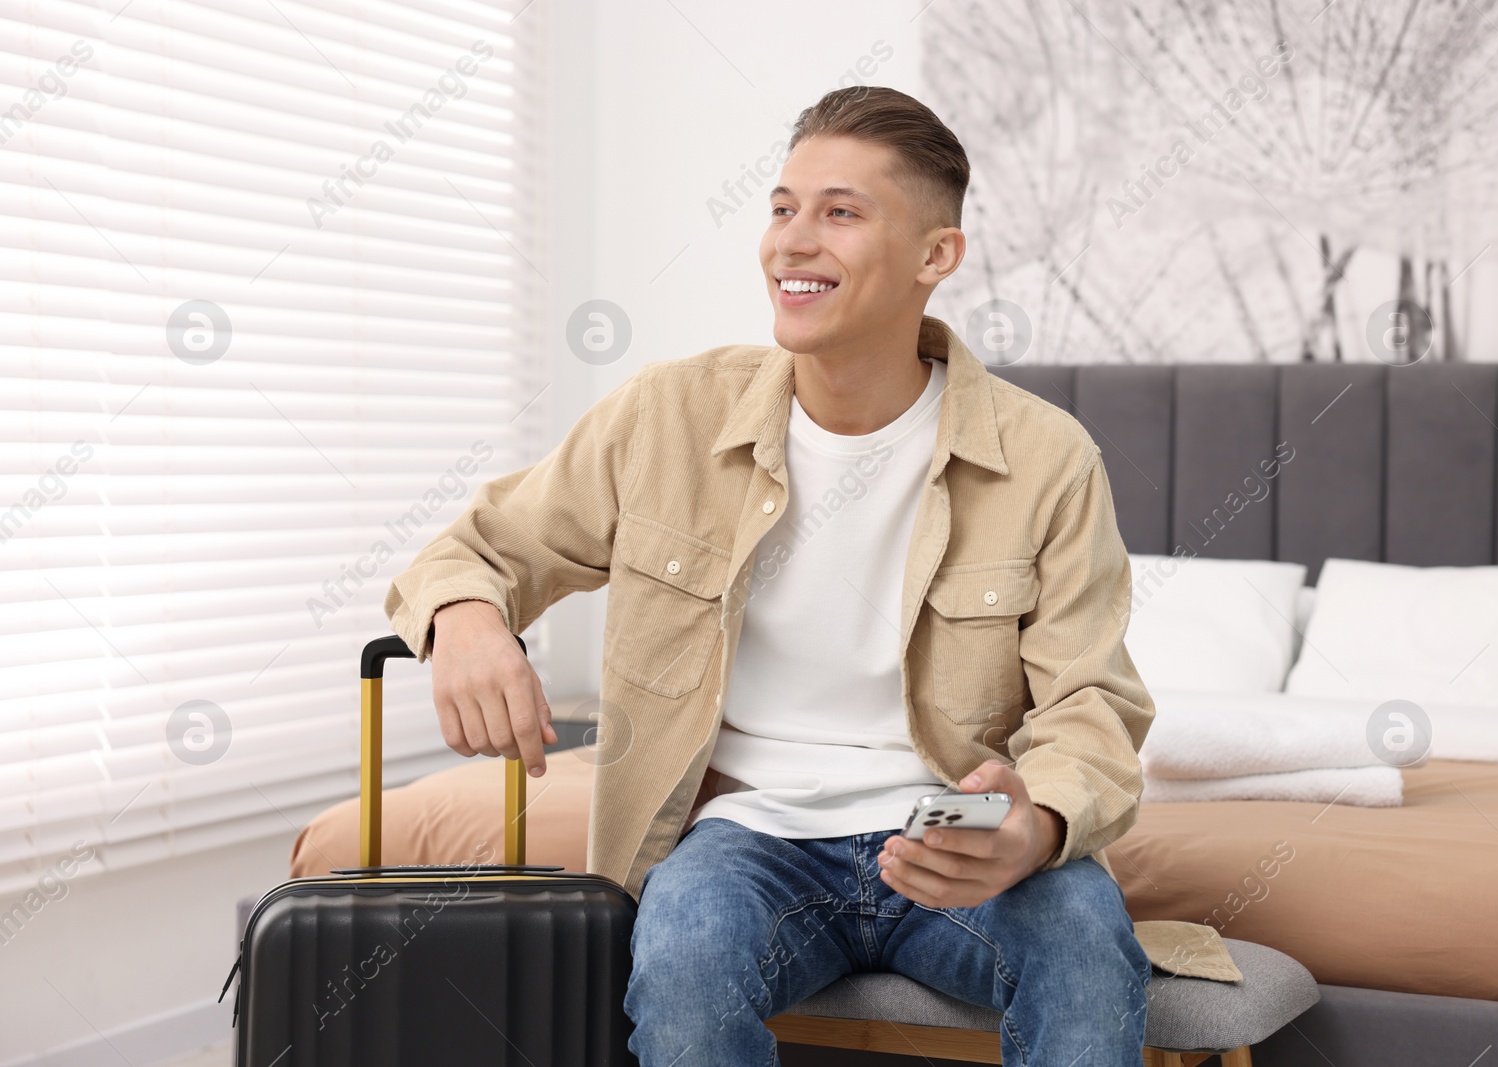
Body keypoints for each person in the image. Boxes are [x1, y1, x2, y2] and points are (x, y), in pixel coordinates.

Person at [385, 85, 1155, 1066]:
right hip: (748, 836)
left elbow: (1092, 700)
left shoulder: (1045, 455)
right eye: (782, 207)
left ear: (936, 256)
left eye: (839, 212)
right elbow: (474, 548)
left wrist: (1035, 826)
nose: (792, 241)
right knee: (684, 954)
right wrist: (466, 618)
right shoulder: (665, 417)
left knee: (1088, 944)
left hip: (946, 837)